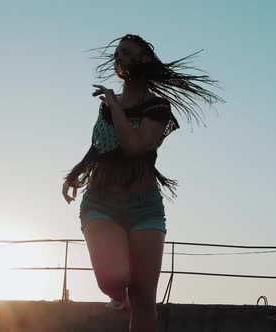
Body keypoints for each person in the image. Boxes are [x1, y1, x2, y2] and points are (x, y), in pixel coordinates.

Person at [62, 34, 223, 332]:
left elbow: (135, 147)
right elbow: (101, 146)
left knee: (144, 298)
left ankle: (128, 301)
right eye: (119, 52)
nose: (120, 56)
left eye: (128, 52)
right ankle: (118, 297)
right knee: (112, 278)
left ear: (144, 60)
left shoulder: (158, 108)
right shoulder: (110, 104)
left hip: (144, 207)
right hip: (101, 202)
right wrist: (76, 173)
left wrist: (116, 107)